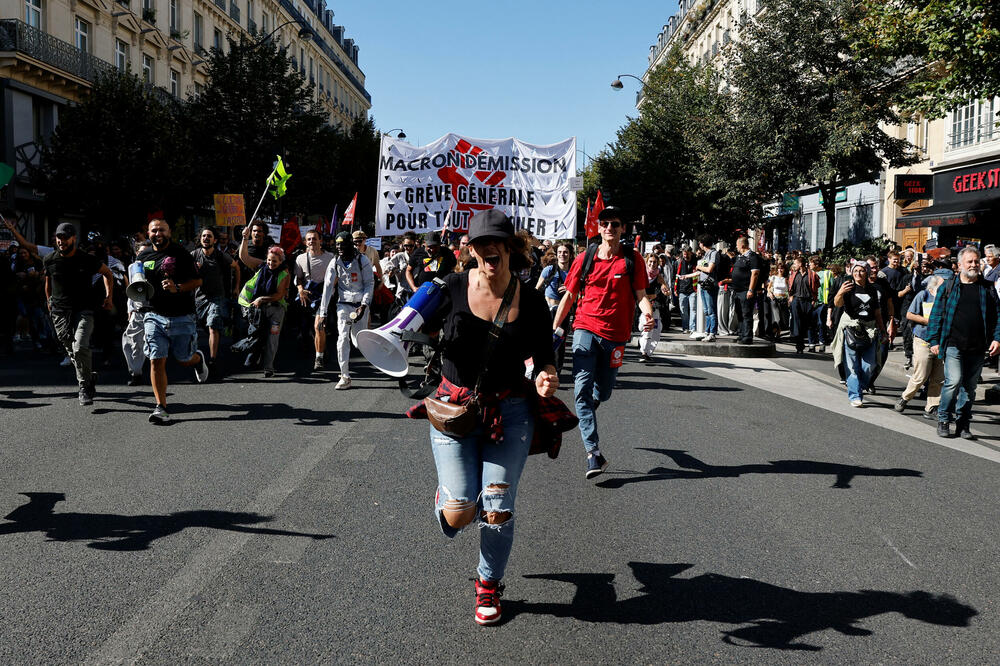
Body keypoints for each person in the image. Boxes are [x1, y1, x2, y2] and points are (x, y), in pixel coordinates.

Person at [415, 209, 558, 626]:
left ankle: (488, 585)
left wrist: (547, 374)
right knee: (460, 514)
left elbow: (544, 355)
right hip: (454, 411)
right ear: (471, 250)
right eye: (479, 243)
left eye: (496, 241)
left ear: (511, 247)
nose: (487, 249)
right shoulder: (450, 287)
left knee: (496, 506)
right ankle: (451, 499)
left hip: (509, 411)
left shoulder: (530, 299)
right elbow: (405, 324)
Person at [551, 206, 654, 479]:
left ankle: (589, 408)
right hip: (585, 327)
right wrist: (555, 326)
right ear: (599, 228)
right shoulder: (585, 258)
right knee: (581, 391)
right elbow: (570, 295)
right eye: (605, 223)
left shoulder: (632, 260)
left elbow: (641, 294)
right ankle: (593, 453)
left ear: (622, 229)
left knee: (603, 392)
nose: (609, 228)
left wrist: (648, 313)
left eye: (615, 224)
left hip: (615, 336)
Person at [136, 219, 210, 423]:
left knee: (183, 357)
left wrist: (177, 287)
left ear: (169, 232)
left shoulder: (181, 254)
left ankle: (197, 359)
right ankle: (161, 407)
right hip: (153, 315)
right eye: (153, 230)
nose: (157, 233)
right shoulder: (143, 256)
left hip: (182, 316)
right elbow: (138, 284)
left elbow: (197, 281)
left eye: (161, 230)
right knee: (156, 359)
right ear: (148, 233)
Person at [925, 246, 1000, 439]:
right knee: (953, 381)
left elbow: (998, 316)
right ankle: (943, 418)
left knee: (970, 387)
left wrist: (997, 339)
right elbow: (936, 315)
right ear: (959, 265)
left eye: (976, 261)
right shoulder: (949, 286)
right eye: (970, 261)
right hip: (952, 344)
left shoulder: (987, 287)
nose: (974, 264)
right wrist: (933, 339)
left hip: (978, 346)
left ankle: (963, 423)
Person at [43, 222, 114, 405]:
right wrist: (49, 300)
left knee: (80, 347)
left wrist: (109, 297)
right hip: (59, 312)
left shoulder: (87, 259)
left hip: (84, 310)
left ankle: (84, 387)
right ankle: (89, 377)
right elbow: (48, 282)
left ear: (74, 238)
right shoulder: (50, 259)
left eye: (65, 238)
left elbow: (108, 273)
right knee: (70, 349)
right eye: (59, 238)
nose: (61, 241)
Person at [318, 231, 374, 390]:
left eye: (343, 244)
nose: (340, 248)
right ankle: (345, 376)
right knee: (342, 338)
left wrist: (364, 305)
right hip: (343, 305)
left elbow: (369, 283)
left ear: (350, 244)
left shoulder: (362, 260)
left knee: (358, 341)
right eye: (337, 245)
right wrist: (323, 314)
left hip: (360, 306)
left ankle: (378, 352)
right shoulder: (334, 262)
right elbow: (327, 288)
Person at [832, 262, 885, 407]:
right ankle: (855, 395)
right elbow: (837, 303)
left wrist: (883, 330)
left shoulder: (873, 290)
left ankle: (858, 386)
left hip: (870, 330)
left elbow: (877, 312)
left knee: (870, 365)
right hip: (852, 328)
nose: (858, 273)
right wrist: (840, 292)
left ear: (867, 273)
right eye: (856, 271)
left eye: (862, 271)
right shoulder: (848, 287)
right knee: (852, 365)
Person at [237, 240, 290, 378]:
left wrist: (262, 299)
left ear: (281, 261)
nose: (271, 264)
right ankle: (253, 356)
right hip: (258, 310)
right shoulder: (261, 267)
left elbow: (279, 295)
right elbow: (244, 257)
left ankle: (268, 367)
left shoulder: (284, 274)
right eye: (269, 260)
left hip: (276, 310)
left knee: (273, 338)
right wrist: (245, 238)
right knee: (256, 334)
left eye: (274, 261)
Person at [895, 275, 946, 419]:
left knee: (938, 378)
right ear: (933, 286)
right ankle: (905, 397)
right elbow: (909, 314)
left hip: (941, 342)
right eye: (942, 286)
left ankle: (931, 407)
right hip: (923, 340)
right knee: (921, 375)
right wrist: (928, 321)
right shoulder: (923, 295)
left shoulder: (947, 299)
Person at [191, 227, 238, 377]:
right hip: (199, 299)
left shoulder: (220, 255)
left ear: (214, 240)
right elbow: (184, 272)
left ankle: (212, 360)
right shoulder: (194, 255)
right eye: (203, 236)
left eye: (209, 236)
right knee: (206, 328)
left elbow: (236, 267)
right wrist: (193, 269)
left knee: (213, 326)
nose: (206, 238)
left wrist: (236, 287)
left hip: (217, 297)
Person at [294, 229, 334, 371]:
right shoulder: (300, 258)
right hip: (307, 297)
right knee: (307, 329)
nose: (312, 241)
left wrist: (328, 290)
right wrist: (300, 290)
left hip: (324, 297)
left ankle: (319, 358)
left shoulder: (331, 258)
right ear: (306, 242)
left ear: (320, 241)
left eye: (314, 239)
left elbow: (336, 277)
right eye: (309, 239)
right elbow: (298, 278)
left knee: (319, 326)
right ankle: (321, 348)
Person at [730, 236, 762, 345]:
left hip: (746, 290)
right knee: (739, 313)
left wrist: (751, 290)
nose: (737, 248)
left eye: (737, 245)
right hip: (737, 290)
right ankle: (741, 334)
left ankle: (747, 337)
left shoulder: (752, 257)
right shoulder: (740, 257)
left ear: (742, 245)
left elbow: (755, 274)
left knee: (746, 314)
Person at [638, 252, 665, 361]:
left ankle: (648, 353)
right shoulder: (641, 274)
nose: (652, 264)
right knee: (646, 328)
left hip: (655, 306)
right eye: (650, 262)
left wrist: (665, 291)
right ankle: (644, 351)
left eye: (654, 262)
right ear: (647, 262)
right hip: (643, 306)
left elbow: (665, 288)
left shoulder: (659, 276)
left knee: (656, 330)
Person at [788, 256, 819, 353]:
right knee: (797, 322)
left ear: (800, 264)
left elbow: (816, 287)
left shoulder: (812, 275)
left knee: (805, 323)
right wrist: (791, 297)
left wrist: (814, 299)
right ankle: (799, 346)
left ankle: (802, 341)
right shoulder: (794, 274)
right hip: (796, 300)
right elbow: (790, 287)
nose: (794, 265)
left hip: (807, 301)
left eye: (795, 263)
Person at [675, 246, 698, 334]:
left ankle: (692, 328)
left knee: (693, 309)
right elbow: (676, 275)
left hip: (692, 289)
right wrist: (675, 289)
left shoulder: (696, 262)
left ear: (691, 253)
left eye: (687, 254)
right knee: (683, 310)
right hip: (682, 290)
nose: (685, 256)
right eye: (684, 254)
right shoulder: (680, 263)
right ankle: (685, 327)